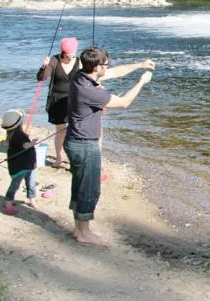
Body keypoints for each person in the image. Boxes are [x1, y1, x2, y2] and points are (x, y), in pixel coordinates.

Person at [65, 46, 154, 246]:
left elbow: (114, 73)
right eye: (105, 65)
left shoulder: (80, 76)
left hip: (75, 142)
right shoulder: (89, 91)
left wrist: (139, 65)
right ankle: (83, 233)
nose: (108, 67)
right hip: (85, 145)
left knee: (80, 187)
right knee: (89, 189)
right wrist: (141, 82)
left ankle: (79, 229)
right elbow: (124, 103)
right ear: (96, 67)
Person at [37, 37, 81, 168]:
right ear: (63, 52)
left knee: (75, 130)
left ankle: (74, 159)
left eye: (73, 53)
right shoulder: (54, 60)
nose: (72, 56)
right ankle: (58, 158)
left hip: (75, 100)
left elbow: (86, 80)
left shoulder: (79, 61)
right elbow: (41, 78)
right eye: (69, 54)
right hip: (57, 101)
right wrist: (44, 66)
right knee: (60, 130)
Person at [1, 109, 38, 215]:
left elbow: (22, 144)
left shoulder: (14, 134)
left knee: (29, 183)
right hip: (22, 166)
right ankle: (8, 200)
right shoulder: (18, 135)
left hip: (26, 165)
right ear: (18, 124)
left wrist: (26, 137)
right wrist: (33, 142)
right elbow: (26, 146)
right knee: (17, 184)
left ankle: (32, 199)